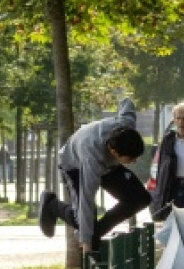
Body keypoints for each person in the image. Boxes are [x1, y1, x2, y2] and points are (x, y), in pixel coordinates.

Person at [39, 98, 151, 253]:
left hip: (109, 165)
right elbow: (86, 199)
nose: (134, 162)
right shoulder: (91, 158)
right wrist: (86, 243)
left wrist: (120, 95)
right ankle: (52, 204)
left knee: (141, 198)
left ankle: (94, 234)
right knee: (83, 221)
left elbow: (127, 103)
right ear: (114, 152)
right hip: (74, 166)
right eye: (130, 159)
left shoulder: (127, 126)